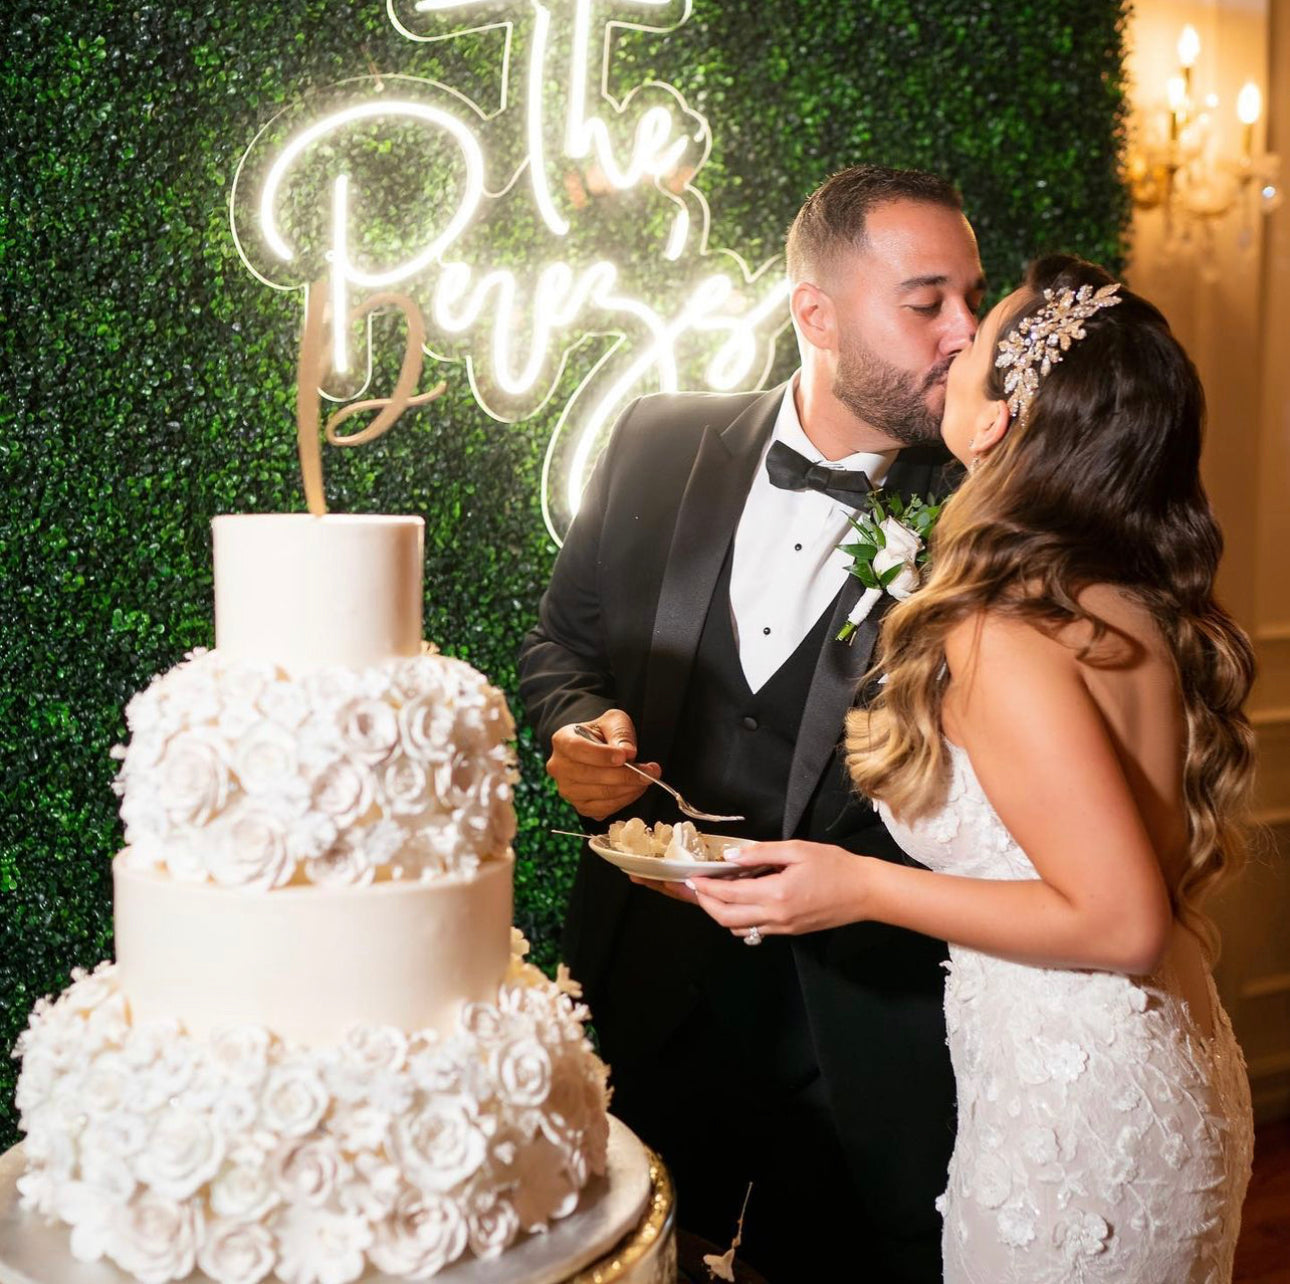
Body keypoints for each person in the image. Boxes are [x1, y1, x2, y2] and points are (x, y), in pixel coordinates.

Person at [691, 254, 1255, 1283]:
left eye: (980, 337)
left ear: (996, 422)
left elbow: (1124, 921)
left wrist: (859, 884)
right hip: (1163, 1069)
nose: (955, 347)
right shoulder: (1123, 594)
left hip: (1079, 1118)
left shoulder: (1002, 632)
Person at [518, 163, 985, 1281]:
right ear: (814, 313)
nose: (965, 332)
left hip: (868, 1034)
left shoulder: (989, 502)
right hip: (645, 1006)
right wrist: (579, 733)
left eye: (971, 297)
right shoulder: (653, 441)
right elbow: (560, 646)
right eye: (927, 303)